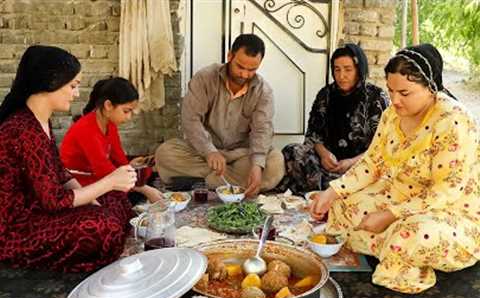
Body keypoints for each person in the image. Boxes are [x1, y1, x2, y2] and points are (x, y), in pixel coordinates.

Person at [309, 44, 480, 293]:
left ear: (431, 88)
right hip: (399, 195)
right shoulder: (392, 115)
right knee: (343, 206)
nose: (395, 100)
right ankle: (385, 244)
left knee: (410, 235)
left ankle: (396, 251)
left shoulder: (453, 120)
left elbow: (445, 193)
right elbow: (372, 163)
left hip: (448, 210)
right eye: (390, 90)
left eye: (405, 93)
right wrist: (333, 192)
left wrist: (390, 215)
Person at [0, 45, 137, 272]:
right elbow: (53, 200)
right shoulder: (22, 128)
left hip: (43, 208)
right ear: (49, 83)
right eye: (73, 86)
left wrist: (95, 196)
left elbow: (59, 171)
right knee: (106, 226)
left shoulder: (41, 120)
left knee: (114, 198)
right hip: (18, 228)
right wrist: (109, 181)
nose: (77, 94)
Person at [155, 34, 285, 197]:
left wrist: (257, 166)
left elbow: (262, 131)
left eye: (252, 70)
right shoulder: (205, 78)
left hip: (241, 154)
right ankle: (224, 181)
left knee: (274, 163)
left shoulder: (263, 92)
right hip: (205, 152)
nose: (244, 75)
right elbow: (191, 120)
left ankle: (205, 181)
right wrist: (209, 151)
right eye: (240, 67)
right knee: (165, 153)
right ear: (229, 56)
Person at [277, 43, 388, 194]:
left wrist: (350, 162)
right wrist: (324, 155)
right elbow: (313, 134)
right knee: (292, 151)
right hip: (327, 166)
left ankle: (329, 190)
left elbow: (381, 146)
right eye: (337, 69)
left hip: (359, 166)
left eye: (348, 69)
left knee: (376, 176)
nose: (341, 76)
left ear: (359, 69)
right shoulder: (326, 95)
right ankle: (331, 190)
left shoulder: (376, 98)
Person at [60, 77, 163, 204]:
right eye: (126, 111)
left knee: (145, 175)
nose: (129, 117)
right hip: (81, 185)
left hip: (102, 177)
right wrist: (145, 189)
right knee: (124, 201)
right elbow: (105, 171)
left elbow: (119, 159)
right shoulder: (86, 129)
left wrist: (133, 166)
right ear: (108, 105)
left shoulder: (109, 124)